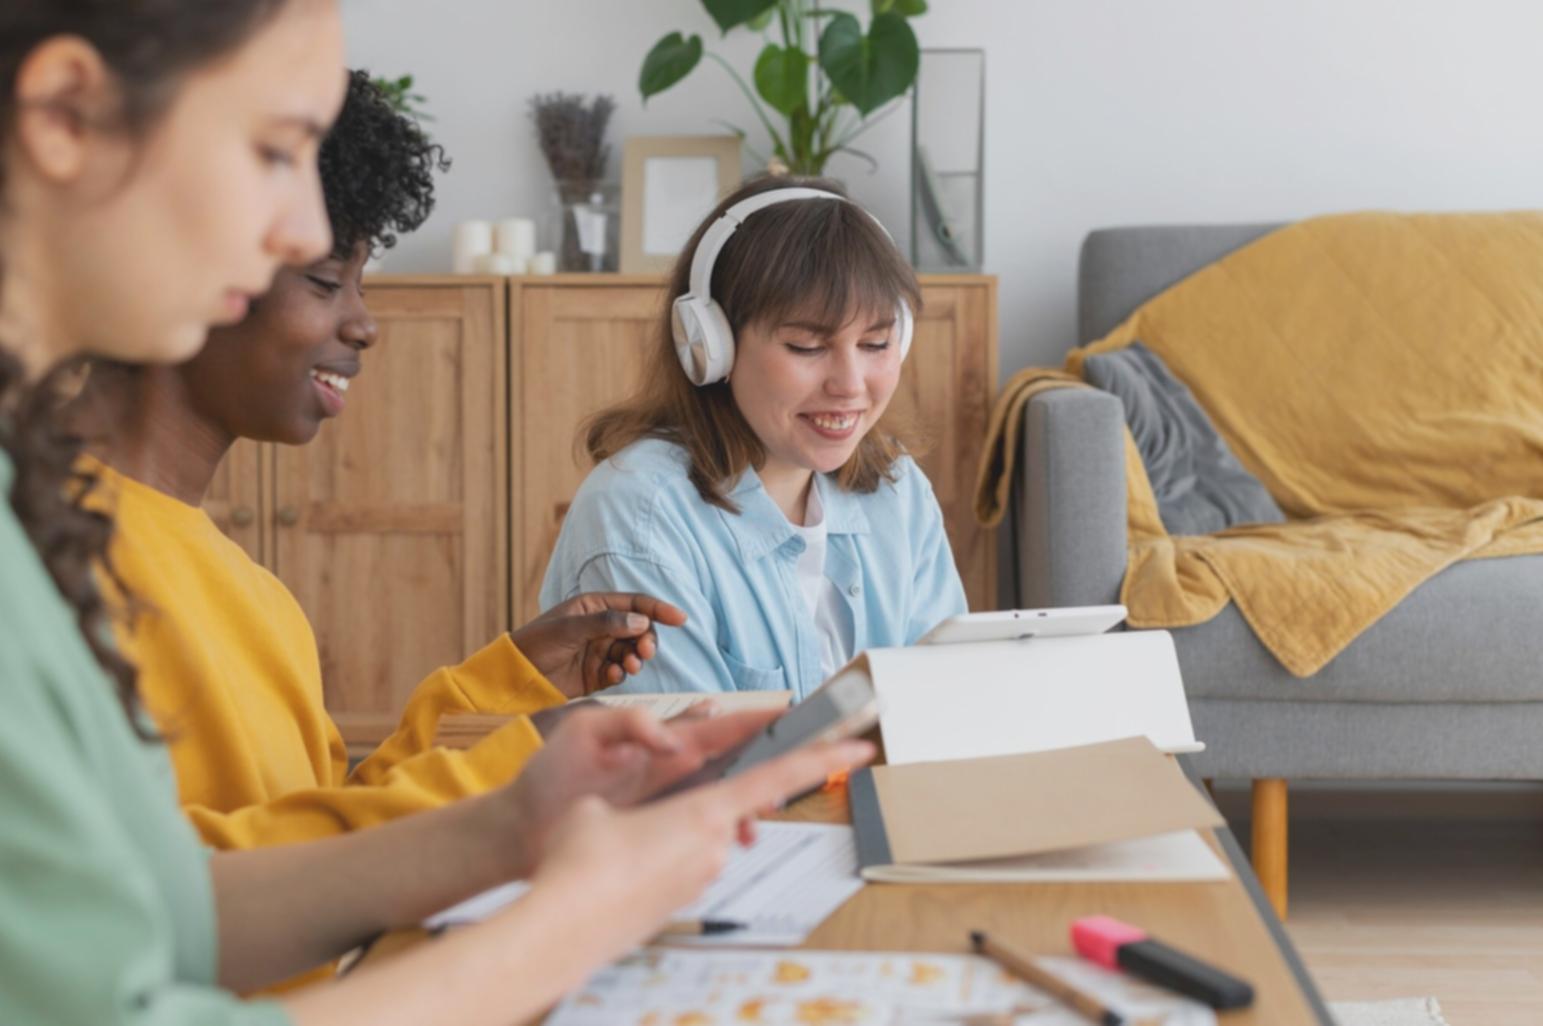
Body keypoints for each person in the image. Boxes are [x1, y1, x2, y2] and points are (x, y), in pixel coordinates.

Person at [0, 4, 872, 1024]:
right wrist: (574, 917)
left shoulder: (124, 554)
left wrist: (519, 815)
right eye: (274, 149)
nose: (291, 223)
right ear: (65, 116)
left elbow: (153, 909)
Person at [68, 69, 688, 854]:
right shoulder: (47, 563)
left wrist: (514, 684)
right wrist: (525, 776)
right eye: (328, 281)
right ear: (191, 271)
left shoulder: (257, 597)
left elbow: (329, 827)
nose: (364, 324)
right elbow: (163, 892)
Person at [540, 177, 969, 699]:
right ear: (709, 345)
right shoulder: (641, 517)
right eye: (807, 346)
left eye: (876, 342)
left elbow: (947, 704)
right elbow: (685, 767)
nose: (851, 385)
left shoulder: (898, 491)